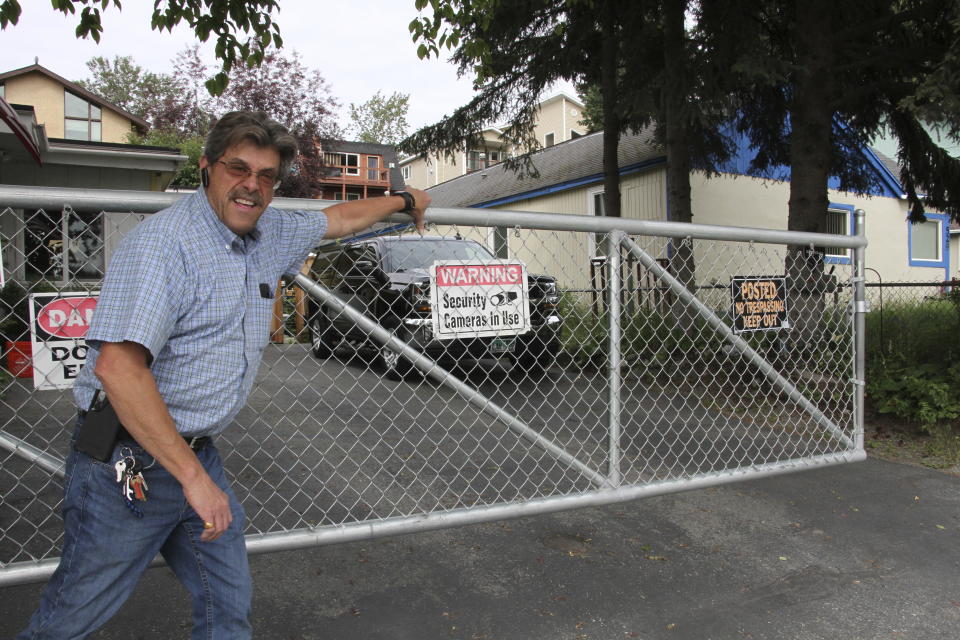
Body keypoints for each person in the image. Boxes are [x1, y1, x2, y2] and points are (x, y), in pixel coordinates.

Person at [18, 110, 431, 639]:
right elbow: (119, 370)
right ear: (206, 168)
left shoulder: (271, 232)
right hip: (129, 464)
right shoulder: (164, 247)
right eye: (238, 169)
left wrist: (405, 201)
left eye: (265, 177)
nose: (251, 186)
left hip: (197, 454)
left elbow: (340, 218)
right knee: (71, 618)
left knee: (227, 605)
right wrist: (194, 480)